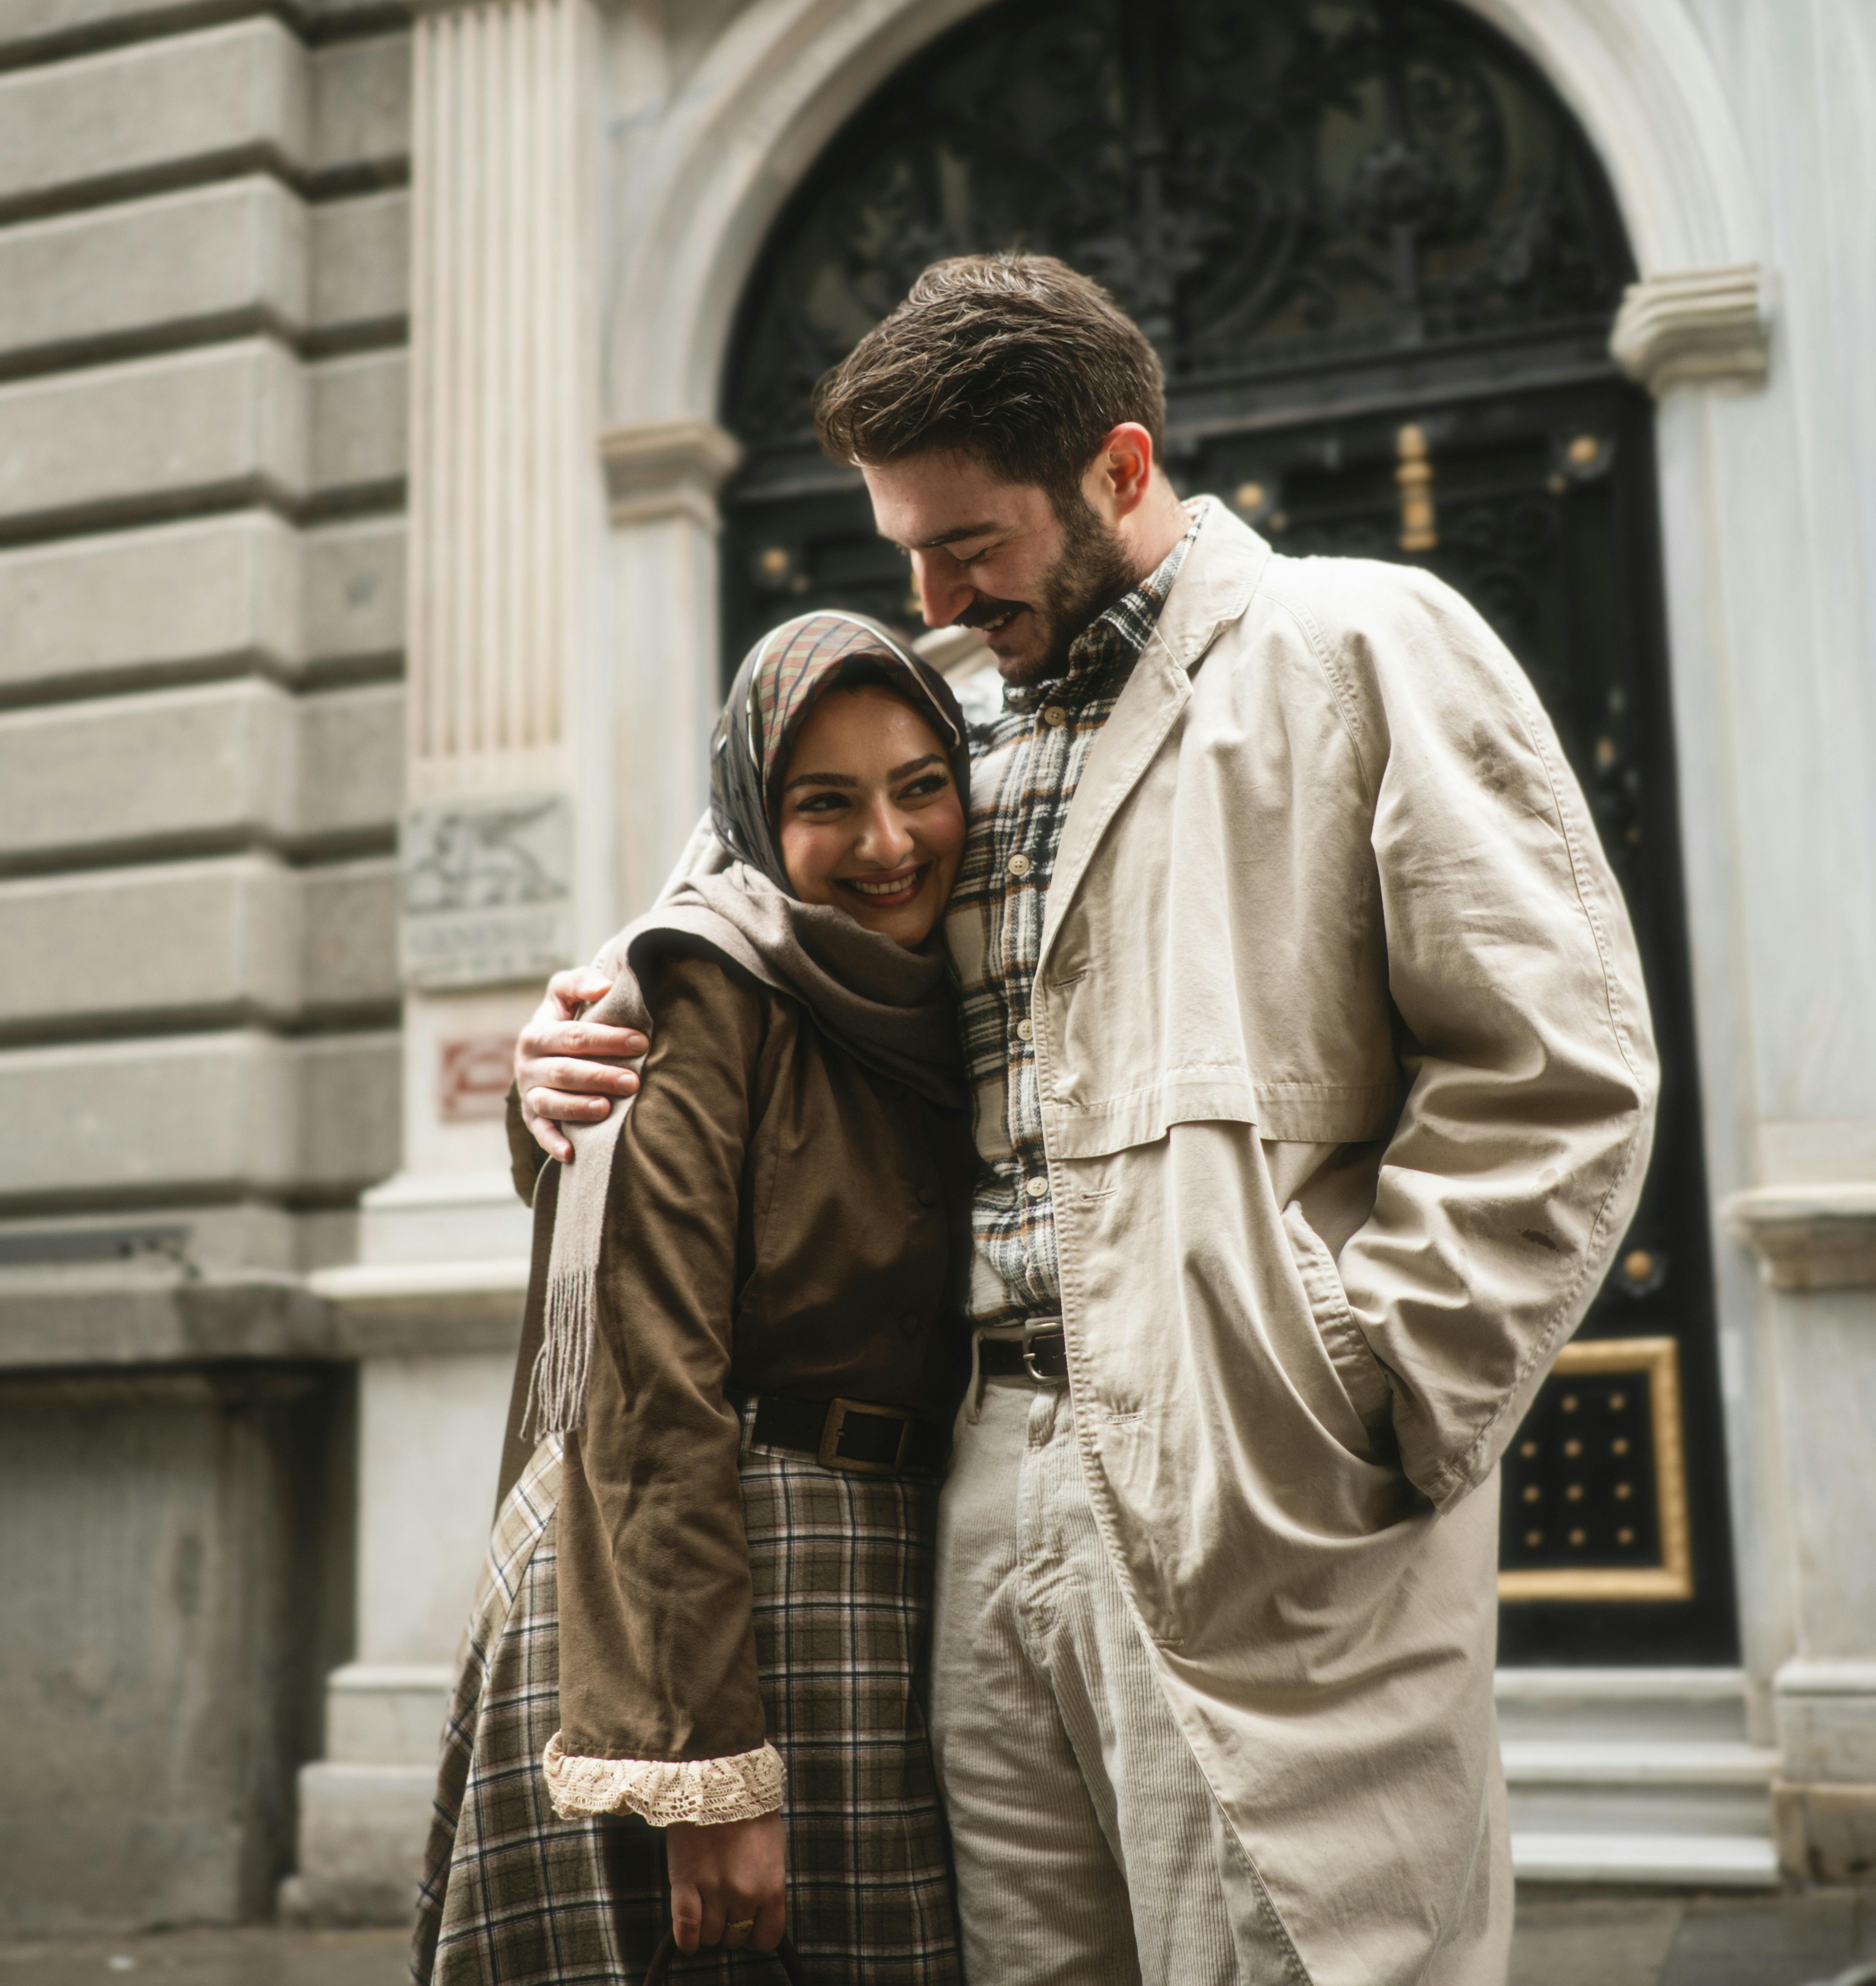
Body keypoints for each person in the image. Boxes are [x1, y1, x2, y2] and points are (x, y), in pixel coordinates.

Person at [517, 253, 1659, 1986]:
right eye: (903, 544)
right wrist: (553, 1072)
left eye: (966, 542)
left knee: (1304, 1952)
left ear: (1119, 469)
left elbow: (1556, 1068)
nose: (928, 588)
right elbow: (689, 982)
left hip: (1249, 1456)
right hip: (972, 1489)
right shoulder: (925, 716)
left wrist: (1355, 1375)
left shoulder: (1360, 642)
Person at [416, 613, 980, 1986]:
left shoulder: (950, 991)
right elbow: (650, 1369)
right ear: (749, 813)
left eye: (921, 786)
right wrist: (700, 1769)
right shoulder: (699, 985)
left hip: (879, 1580)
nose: (890, 845)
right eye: (825, 804)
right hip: (689, 1600)